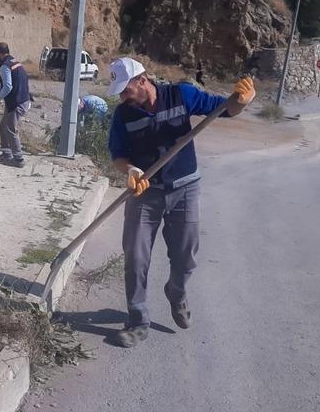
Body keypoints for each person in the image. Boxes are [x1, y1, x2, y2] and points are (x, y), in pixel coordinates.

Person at [106, 57, 255, 347]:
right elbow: (118, 154)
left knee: (186, 256)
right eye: (120, 92)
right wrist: (131, 170)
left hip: (185, 187)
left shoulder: (181, 95)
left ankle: (176, 291)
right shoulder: (123, 115)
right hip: (145, 192)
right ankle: (138, 321)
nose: (123, 96)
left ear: (142, 80)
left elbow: (225, 108)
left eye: (126, 89)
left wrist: (242, 101)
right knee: (135, 256)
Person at [0, 42, 30, 168]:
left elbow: (8, 87)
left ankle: (18, 159)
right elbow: (3, 86)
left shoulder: (5, 66)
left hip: (17, 102)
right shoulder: (15, 62)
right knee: (3, 125)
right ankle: (6, 154)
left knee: (10, 128)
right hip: (22, 99)